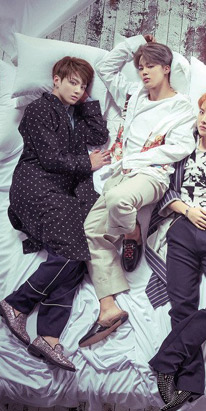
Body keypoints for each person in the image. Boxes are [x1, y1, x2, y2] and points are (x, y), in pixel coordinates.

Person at [81, 35, 196, 347]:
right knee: (91, 231)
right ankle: (109, 308)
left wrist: (135, 160)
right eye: (141, 67)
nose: (144, 72)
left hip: (151, 173)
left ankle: (132, 233)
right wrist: (136, 42)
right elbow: (105, 67)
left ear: (167, 68)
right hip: (120, 172)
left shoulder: (181, 106)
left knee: (118, 199)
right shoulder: (133, 94)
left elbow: (180, 146)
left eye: (151, 66)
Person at [0, 56, 110, 370]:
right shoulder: (39, 109)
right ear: (56, 80)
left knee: (77, 259)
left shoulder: (75, 113)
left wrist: (88, 102)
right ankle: (16, 304)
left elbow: (98, 137)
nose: (78, 90)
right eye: (72, 82)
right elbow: (49, 158)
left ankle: (48, 338)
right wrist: (88, 163)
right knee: (74, 252)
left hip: (61, 195)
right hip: (35, 187)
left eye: (83, 86)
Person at [145, 87, 206, 411]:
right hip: (183, 228)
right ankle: (188, 381)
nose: (203, 119)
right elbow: (162, 187)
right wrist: (186, 210)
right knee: (182, 306)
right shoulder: (183, 145)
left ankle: (166, 360)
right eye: (201, 112)